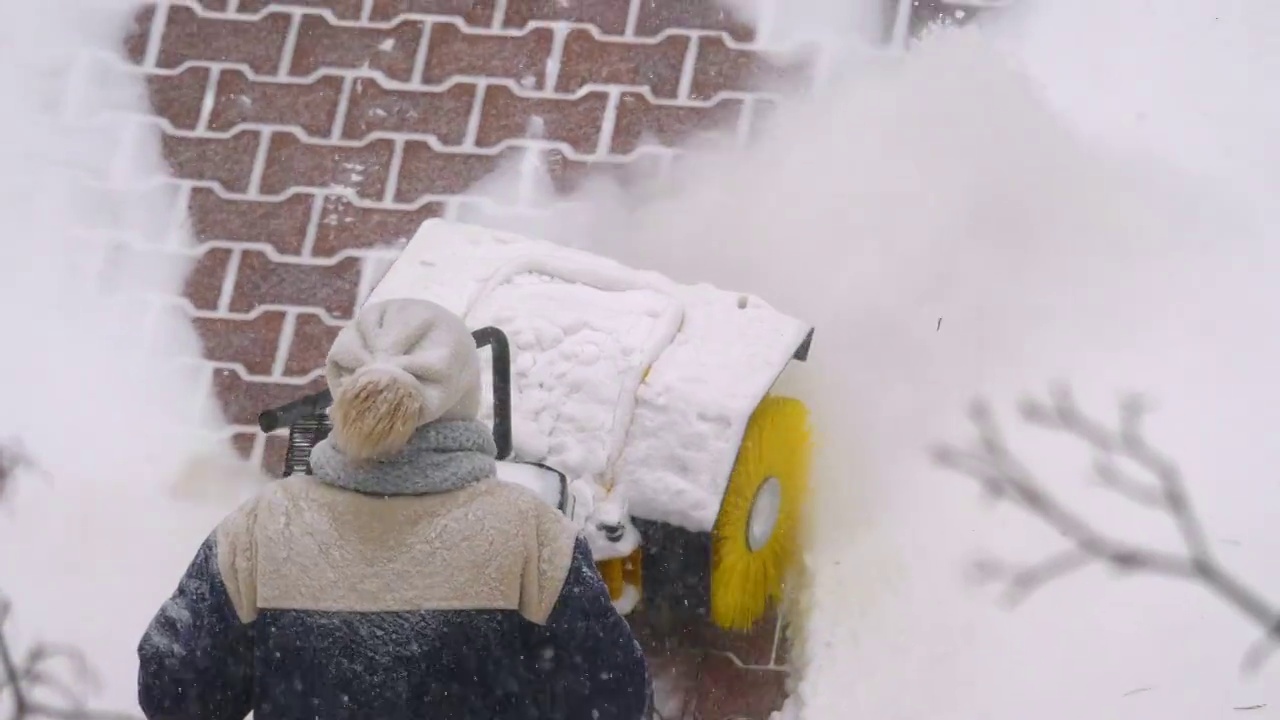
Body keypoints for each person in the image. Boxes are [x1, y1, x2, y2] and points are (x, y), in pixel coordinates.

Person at [137, 298, 652, 720]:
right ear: (462, 398)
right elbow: (614, 698)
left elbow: (176, 690)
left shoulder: (260, 530)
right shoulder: (531, 535)